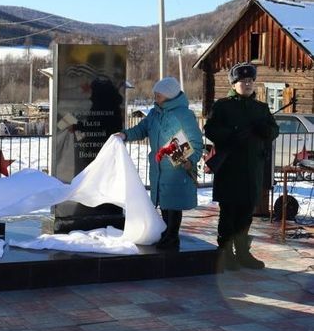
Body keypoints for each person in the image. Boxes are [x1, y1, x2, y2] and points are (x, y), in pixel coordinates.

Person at [204, 62, 278, 271]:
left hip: (251, 170)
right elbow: (210, 129)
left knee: (246, 214)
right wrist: (231, 134)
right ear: (234, 84)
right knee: (228, 213)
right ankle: (225, 254)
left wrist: (265, 129)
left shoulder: (261, 108)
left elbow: (274, 131)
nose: (247, 84)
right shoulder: (223, 106)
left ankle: (243, 253)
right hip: (230, 169)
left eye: (250, 81)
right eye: (242, 81)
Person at [115, 77, 203, 250]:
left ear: (169, 95)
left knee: (173, 203)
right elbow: (141, 129)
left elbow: (195, 140)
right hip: (159, 166)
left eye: (158, 94)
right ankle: (166, 233)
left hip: (176, 167)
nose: (155, 97)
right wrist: (125, 135)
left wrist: (190, 160)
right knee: (164, 202)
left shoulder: (184, 115)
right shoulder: (155, 113)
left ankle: (172, 236)